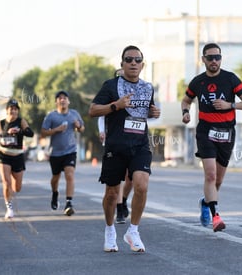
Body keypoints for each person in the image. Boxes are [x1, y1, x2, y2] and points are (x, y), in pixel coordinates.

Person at [88, 45, 160, 252]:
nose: (133, 63)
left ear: (143, 64)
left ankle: (133, 230)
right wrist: (115, 106)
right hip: (116, 146)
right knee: (112, 194)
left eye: (138, 60)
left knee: (142, 185)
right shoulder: (110, 85)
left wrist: (153, 113)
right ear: (122, 64)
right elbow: (93, 110)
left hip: (140, 145)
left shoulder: (148, 87)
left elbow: (144, 112)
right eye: (129, 59)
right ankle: (110, 230)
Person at [181, 43, 242, 232]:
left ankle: (206, 203)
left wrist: (230, 105)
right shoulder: (198, 81)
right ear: (203, 59)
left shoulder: (230, 79)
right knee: (210, 175)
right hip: (205, 131)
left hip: (227, 132)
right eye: (210, 57)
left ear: (221, 59)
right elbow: (186, 99)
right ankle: (216, 216)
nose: (214, 61)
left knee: (218, 180)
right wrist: (185, 112)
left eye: (217, 57)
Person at [41, 90, 85, 216]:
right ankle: (55, 193)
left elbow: (82, 128)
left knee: (69, 175)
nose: (62, 100)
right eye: (60, 98)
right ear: (56, 102)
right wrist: (56, 130)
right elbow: (43, 132)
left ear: (68, 101)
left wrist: (78, 126)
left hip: (70, 151)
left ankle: (69, 202)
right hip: (55, 153)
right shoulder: (51, 116)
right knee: (55, 178)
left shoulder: (74, 114)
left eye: (65, 98)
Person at [97, 68, 133, 224]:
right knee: (116, 182)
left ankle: (123, 200)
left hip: (133, 140)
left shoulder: (136, 91)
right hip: (115, 139)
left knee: (130, 178)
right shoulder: (111, 92)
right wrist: (102, 131)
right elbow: (100, 115)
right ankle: (119, 209)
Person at [0, 99, 34, 219]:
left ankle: (12, 190)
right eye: (11, 108)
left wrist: (20, 131)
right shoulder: (1, 123)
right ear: (7, 110)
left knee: (17, 188)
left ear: (17, 111)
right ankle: (9, 208)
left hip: (18, 156)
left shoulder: (21, 121)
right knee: (6, 182)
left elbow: (30, 133)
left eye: (15, 109)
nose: (13, 111)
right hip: (4, 156)